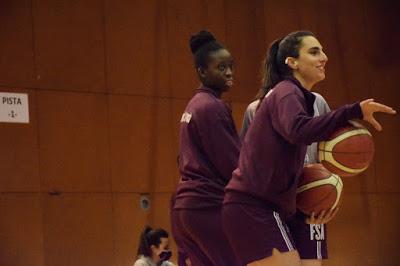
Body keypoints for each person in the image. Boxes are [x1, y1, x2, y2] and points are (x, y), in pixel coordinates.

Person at [222, 30, 396, 266]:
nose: (324, 57)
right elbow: (298, 130)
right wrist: (353, 111)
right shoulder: (286, 92)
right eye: (314, 52)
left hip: (275, 206)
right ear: (291, 62)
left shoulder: (301, 97)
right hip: (253, 205)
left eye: (323, 51)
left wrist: (325, 198)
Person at [170, 30, 241, 266]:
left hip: (184, 211)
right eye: (221, 67)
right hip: (208, 208)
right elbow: (233, 166)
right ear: (201, 71)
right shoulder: (212, 107)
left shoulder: (194, 105)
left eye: (230, 66)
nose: (229, 72)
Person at [241, 91, 331, 266]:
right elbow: (245, 164)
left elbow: (332, 151)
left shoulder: (317, 102)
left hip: (309, 202)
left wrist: (327, 200)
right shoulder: (255, 109)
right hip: (272, 206)